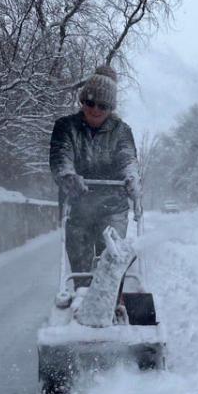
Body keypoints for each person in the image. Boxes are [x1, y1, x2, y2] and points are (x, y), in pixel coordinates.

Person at [49, 64, 141, 281]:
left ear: (111, 108)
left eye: (103, 105)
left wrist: (131, 179)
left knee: (109, 268)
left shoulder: (122, 131)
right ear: (82, 101)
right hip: (78, 206)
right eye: (90, 102)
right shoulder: (66, 127)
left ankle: (110, 304)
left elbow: (128, 159)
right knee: (81, 271)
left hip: (113, 207)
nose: (96, 109)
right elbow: (61, 158)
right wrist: (68, 178)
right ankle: (80, 301)